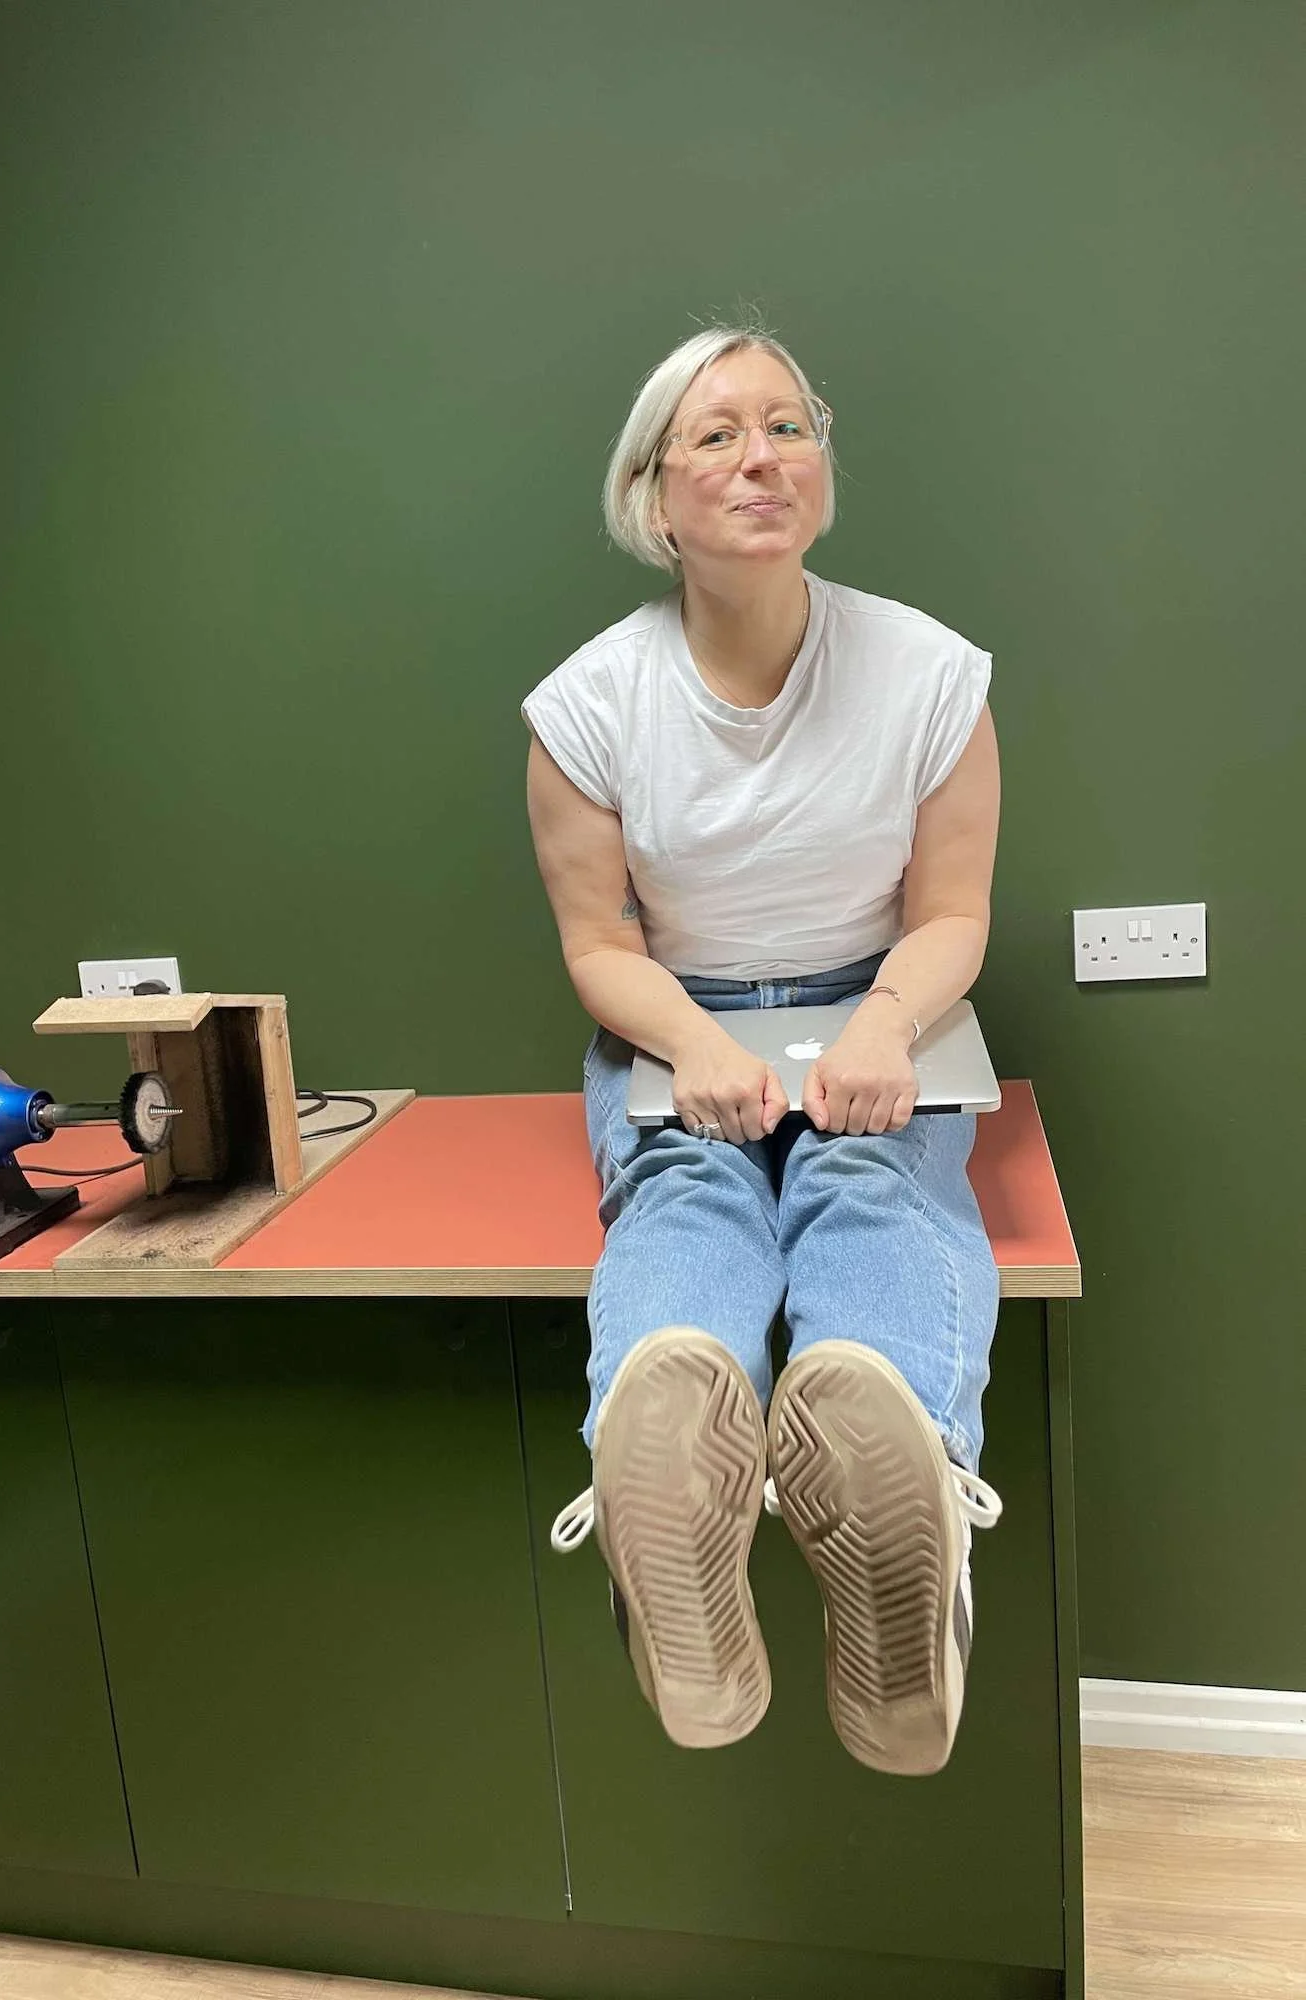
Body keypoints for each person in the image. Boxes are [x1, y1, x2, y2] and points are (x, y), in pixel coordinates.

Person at [522, 325, 1005, 1777]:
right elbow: (603, 946)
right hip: (681, 1013)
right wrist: (689, 1040)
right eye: (718, 434)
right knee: (689, 1191)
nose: (761, 458)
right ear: (653, 498)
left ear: (823, 467)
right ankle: (665, 1496)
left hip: (883, 1001)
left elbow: (955, 913)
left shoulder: (929, 673)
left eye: (789, 427)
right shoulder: (587, 707)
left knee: (875, 1184)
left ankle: (897, 1460)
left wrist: (883, 1023)